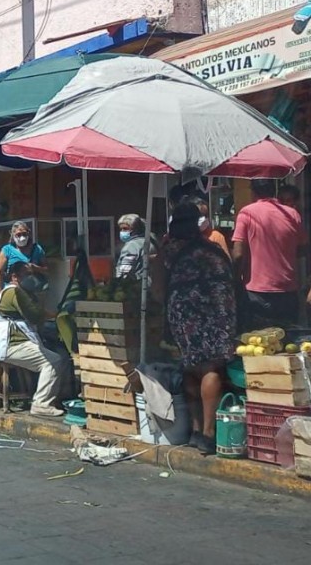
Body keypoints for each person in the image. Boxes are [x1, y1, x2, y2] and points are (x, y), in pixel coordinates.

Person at [163, 203, 237, 455]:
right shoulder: (212, 248)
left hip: (182, 313)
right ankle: (208, 433)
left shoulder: (169, 250)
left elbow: (156, 288)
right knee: (211, 366)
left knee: (190, 365)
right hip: (215, 310)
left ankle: (195, 430)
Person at [0, 262, 67, 417]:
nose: (31, 278)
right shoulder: (15, 293)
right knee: (53, 361)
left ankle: (48, 398)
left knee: (58, 356)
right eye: (27, 274)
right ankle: (41, 404)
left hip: (17, 343)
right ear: (14, 277)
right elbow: (35, 315)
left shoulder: (19, 292)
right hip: (11, 346)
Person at [232, 179, 307, 328]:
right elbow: (303, 248)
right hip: (288, 290)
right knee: (288, 342)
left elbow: (238, 254)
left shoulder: (246, 213)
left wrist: (234, 280)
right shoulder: (292, 214)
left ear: (253, 192)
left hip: (256, 291)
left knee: (257, 344)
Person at [0, 221, 46, 294]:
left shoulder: (37, 249)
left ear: (28, 233)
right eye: (18, 235)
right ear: (13, 235)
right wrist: (0, 294)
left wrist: (35, 268)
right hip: (14, 292)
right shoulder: (7, 250)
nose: (22, 237)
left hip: (33, 292)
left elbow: (47, 270)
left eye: (24, 234)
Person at [115, 214, 156, 280]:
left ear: (135, 229)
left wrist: (119, 283)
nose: (122, 232)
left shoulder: (132, 246)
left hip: (136, 285)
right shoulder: (151, 241)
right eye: (121, 229)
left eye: (125, 229)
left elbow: (124, 272)